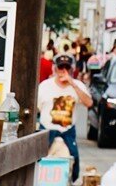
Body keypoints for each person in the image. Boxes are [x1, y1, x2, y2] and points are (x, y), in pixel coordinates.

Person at [38, 53, 91, 183]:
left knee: (67, 172)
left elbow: (88, 103)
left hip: (66, 136)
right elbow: (38, 108)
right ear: (55, 69)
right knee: (42, 172)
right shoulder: (45, 86)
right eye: (61, 68)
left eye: (67, 68)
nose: (64, 72)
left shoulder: (77, 86)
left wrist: (73, 84)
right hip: (47, 133)